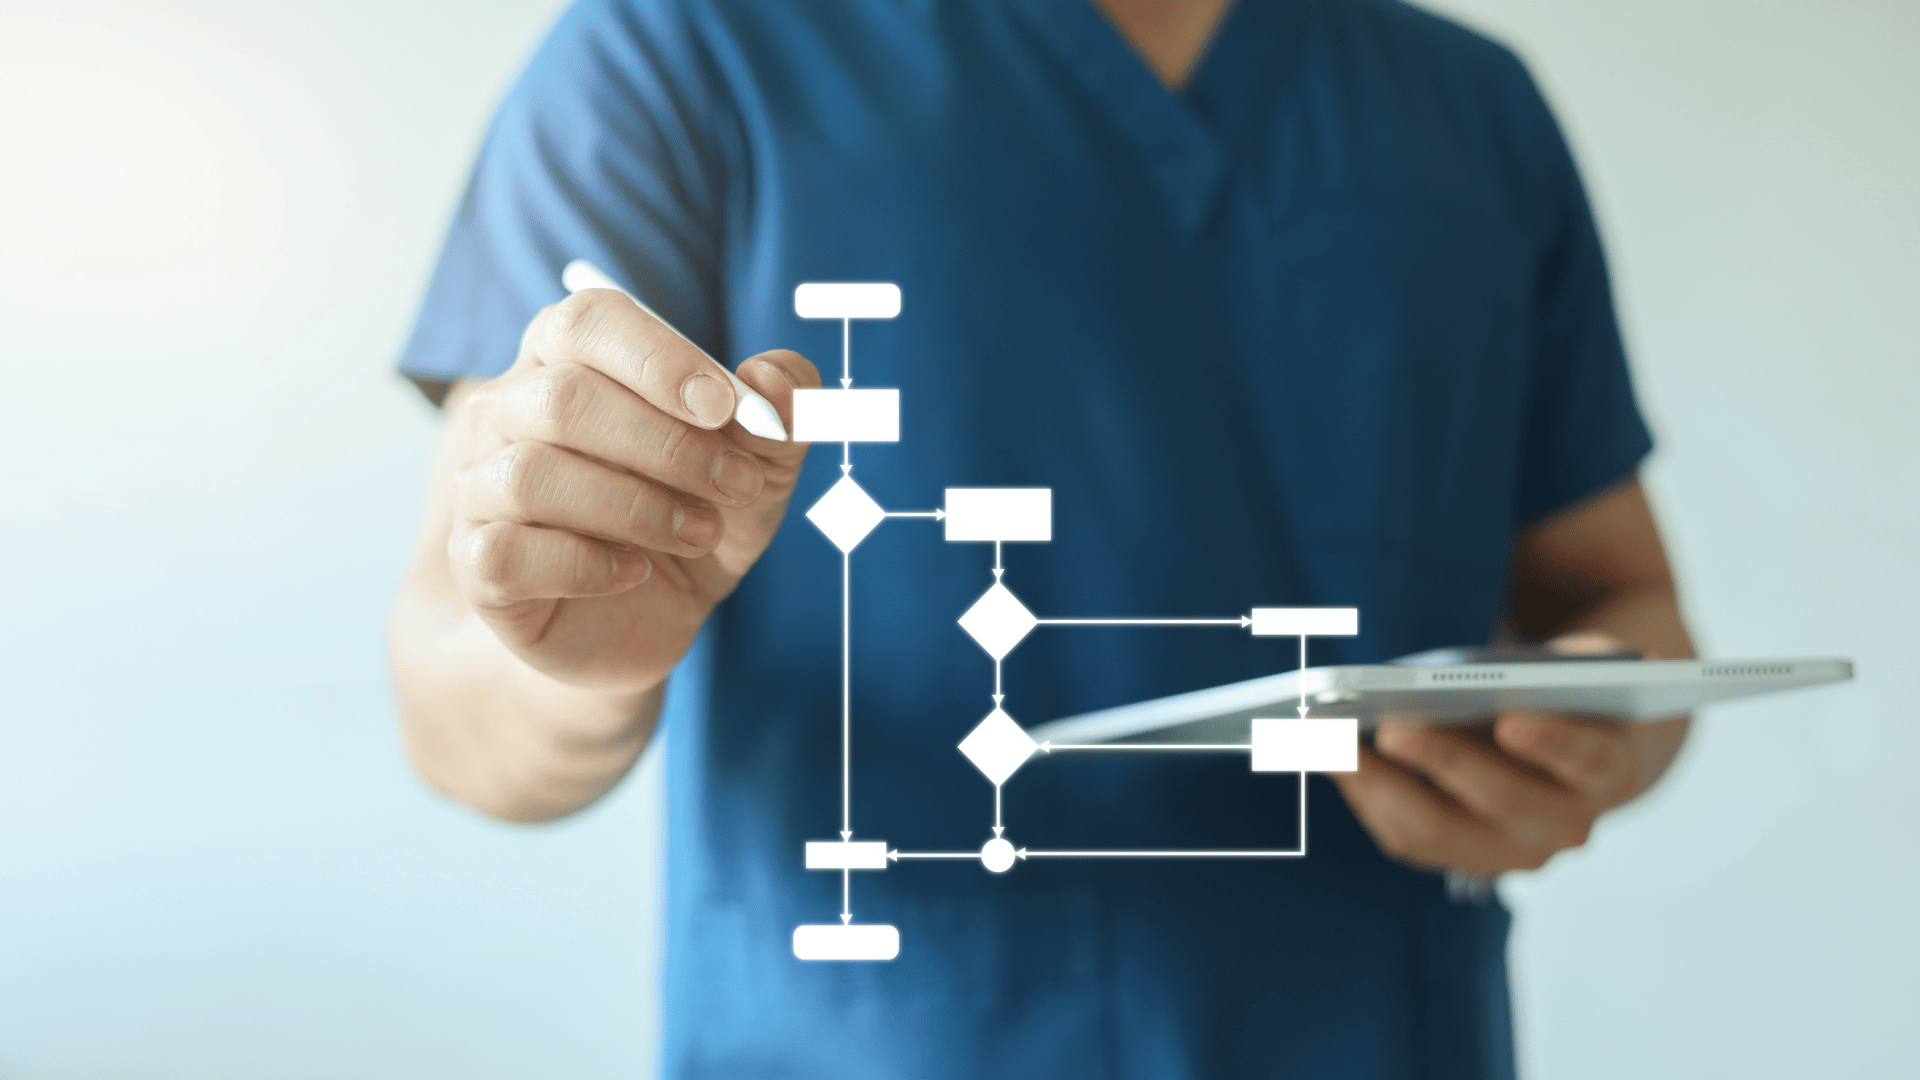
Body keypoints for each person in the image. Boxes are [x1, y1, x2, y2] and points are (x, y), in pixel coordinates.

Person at [389, 0, 1695, 1075]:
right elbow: (452, 710)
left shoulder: (1473, 109)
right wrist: (577, 669)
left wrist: (1591, 742)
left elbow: (1630, 609)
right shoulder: (677, 49)